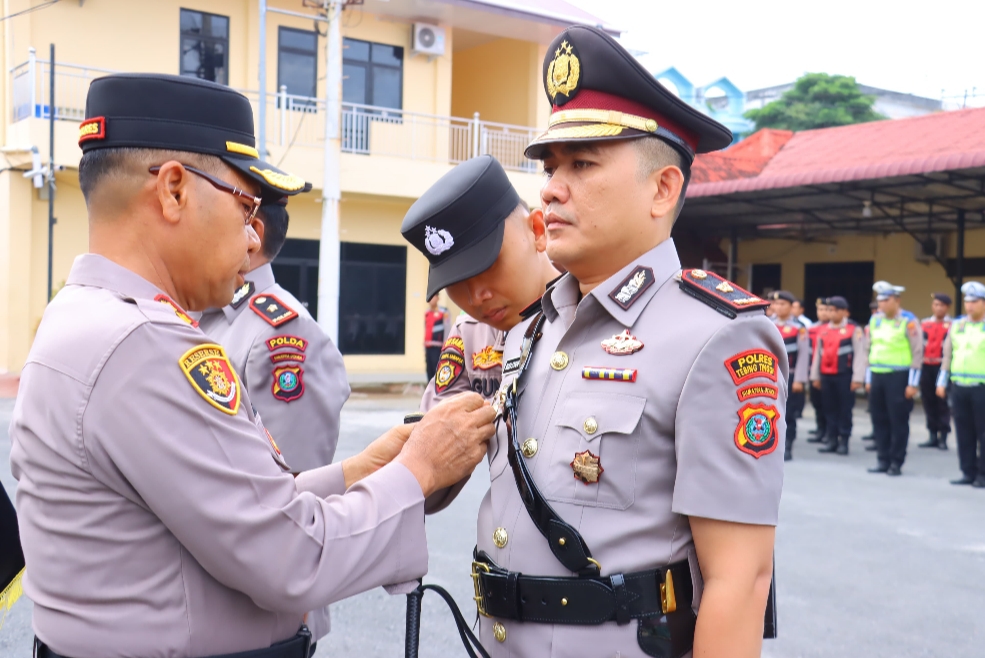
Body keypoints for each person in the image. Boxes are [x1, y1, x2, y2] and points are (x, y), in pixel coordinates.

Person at [8, 73, 495, 658]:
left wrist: (359, 471)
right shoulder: (145, 344)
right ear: (173, 191)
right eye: (245, 207)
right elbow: (291, 556)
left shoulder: (84, 315)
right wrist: (418, 468)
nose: (249, 240)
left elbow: (226, 506)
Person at [468, 26, 786, 658]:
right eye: (551, 167)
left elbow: (740, 580)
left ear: (662, 189)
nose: (552, 188)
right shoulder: (536, 327)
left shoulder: (716, 336)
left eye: (582, 165)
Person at [198, 196, 349, 645]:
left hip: (268, 611)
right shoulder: (211, 313)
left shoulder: (280, 330)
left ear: (253, 234)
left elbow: (292, 488)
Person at [401, 155, 562, 513]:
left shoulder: (593, 314)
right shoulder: (471, 335)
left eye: (487, 267)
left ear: (538, 231)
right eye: (456, 283)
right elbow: (425, 485)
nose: (476, 298)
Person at [859, 283, 922, 476]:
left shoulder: (908, 321)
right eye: (879, 301)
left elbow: (917, 352)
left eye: (886, 300)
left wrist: (913, 383)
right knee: (879, 419)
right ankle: (882, 459)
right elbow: (867, 349)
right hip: (878, 374)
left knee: (898, 420)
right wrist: (868, 378)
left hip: (899, 376)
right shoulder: (875, 320)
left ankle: (896, 462)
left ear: (897, 301)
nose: (882, 304)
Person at [937, 281, 985, 487]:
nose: (970, 306)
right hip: (959, 386)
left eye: (974, 302)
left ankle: (982, 474)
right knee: (964, 431)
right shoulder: (957, 325)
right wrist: (942, 381)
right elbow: (947, 355)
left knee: (983, 432)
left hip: (981, 387)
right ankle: (967, 471)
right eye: (967, 302)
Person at [811, 296, 865, 455]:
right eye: (829, 310)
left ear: (844, 312)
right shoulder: (824, 330)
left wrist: (857, 378)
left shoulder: (853, 329)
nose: (831, 313)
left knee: (844, 409)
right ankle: (831, 439)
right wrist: (815, 376)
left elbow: (859, 355)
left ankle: (844, 441)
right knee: (829, 408)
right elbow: (817, 355)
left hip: (844, 375)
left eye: (835, 310)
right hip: (826, 375)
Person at [769, 291, 809, 460]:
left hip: (789, 375)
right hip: (769, 373)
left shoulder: (798, 328)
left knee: (789, 413)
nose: (778, 307)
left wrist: (799, 379)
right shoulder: (767, 324)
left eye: (782, 304)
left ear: (791, 307)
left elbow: (803, 356)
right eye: (776, 304)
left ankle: (788, 446)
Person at [918, 293, 953, 449]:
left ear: (947, 307)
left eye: (942, 305)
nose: (938, 308)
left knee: (942, 402)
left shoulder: (953, 325)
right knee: (928, 400)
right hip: (926, 366)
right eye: (936, 305)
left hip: (942, 367)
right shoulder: (924, 324)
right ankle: (932, 434)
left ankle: (943, 437)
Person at [806, 298, 831, 443]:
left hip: (828, 370)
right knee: (816, 402)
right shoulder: (811, 329)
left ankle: (830, 432)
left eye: (826, 310)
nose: (823, 313)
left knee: (829, 404)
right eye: (820, 310)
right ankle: (820, 429)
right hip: (813, 370)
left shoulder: (833, 328)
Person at [424, 295, 451, 381]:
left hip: (438, 347)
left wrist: (445, 347)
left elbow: (447, 329)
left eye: (434, 297)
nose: (431, 300)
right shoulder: (427, 313)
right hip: (428, 347)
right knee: (429, 370)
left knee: (437, 370)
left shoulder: (444, 312)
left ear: (438, 298)